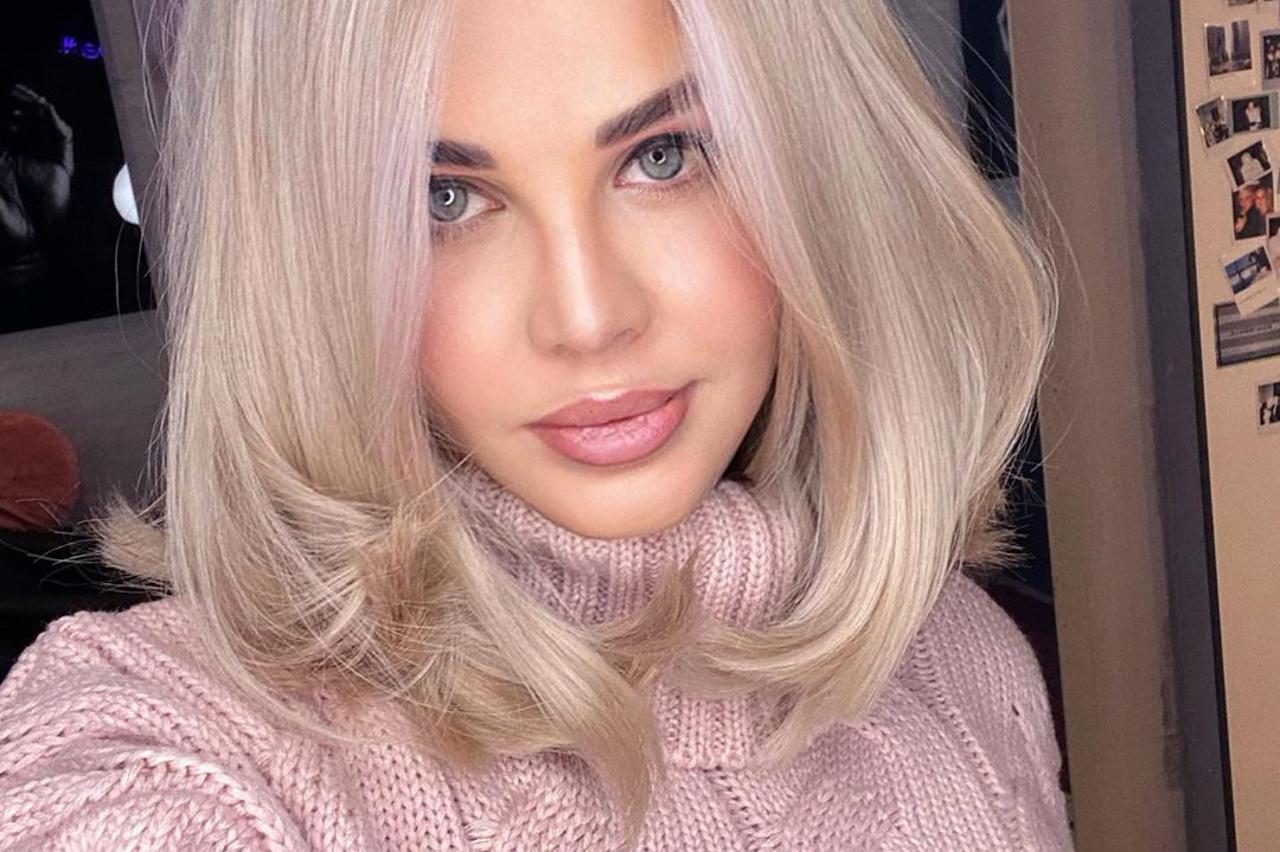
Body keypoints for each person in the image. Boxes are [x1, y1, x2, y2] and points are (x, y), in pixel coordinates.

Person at [0, 0, 1075, 849]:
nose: (588, 318)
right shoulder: (173, 754)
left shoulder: (963, 658)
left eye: (664, 154)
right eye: (441, 198)